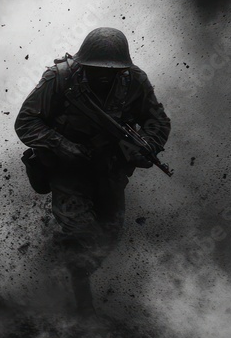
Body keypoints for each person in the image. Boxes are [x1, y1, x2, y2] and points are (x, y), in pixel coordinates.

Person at [15, 27, 171, 315]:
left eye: (109, 71)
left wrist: (147, 145)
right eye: (95, 69)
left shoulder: (135, 81)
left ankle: (58, 258)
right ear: (83, 62)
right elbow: (26, 122)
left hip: (109, 169)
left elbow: (158, 121)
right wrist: (62, 145)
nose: (102, 75)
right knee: (82, 231)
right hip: (66, 169)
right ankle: (83, 307)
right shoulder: (60, 78)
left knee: (109, 235)